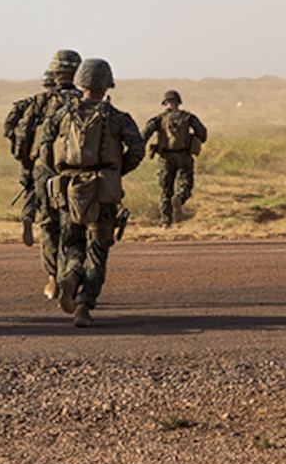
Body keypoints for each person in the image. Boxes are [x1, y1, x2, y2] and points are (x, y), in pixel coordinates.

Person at [37, 58, 144, 327]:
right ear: (107, 84)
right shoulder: (118, 117)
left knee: (71, 243)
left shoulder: (61, 115)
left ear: (81, 82)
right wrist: (115, 172)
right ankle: (84, 306)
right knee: (97, 249)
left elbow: (44, 149)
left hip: (69, 190)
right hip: (104, 191)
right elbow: (137, 150)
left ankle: (71, 275)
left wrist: (61, 170)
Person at [15, 49, 83, 300]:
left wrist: (28, 167)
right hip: (78, 173)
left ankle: (53, 279)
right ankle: (73, 273)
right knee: (77, 224)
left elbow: (22, 139)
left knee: (49, 224)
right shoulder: (88, 101)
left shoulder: (39, 102)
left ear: (55, 72)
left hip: (44, 171)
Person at [4, 68, 57, 247]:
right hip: (58, 156)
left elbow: (10, 124)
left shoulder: (34, 101)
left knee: (31, 187)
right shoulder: (67, 101)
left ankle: (28, 216)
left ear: (44, 84)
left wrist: (15, 140)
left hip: (35, 155)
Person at [141, 89, 208, 225]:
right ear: (178, 103)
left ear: (165, 103)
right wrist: (192, 139)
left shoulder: (159, 119)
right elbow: (203, 134)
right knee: (185, 183)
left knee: (165, 190)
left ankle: (166, 221)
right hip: (184, 155)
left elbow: (143, 135)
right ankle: (180, 197)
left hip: (165, 157)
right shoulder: (188, 117)